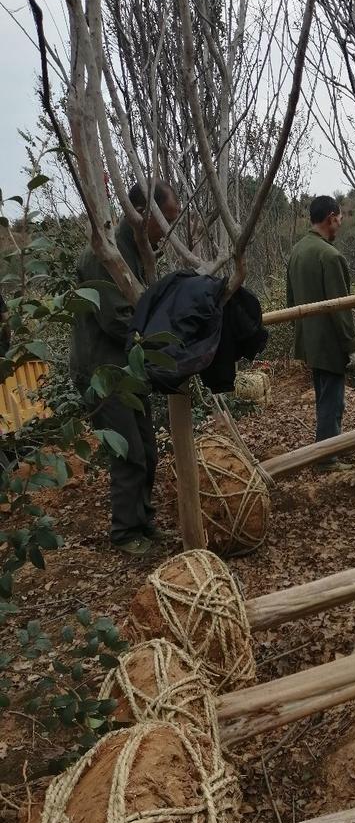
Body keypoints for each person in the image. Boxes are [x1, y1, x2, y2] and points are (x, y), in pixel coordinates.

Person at [70, 180, 180, 555]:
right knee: (128, 451)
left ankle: (143, 520)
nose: (168, 231)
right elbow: (118, 321)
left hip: (129, 368)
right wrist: (162, 339)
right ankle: (125, 532)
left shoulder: (139, 250)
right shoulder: (103, 255)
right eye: (165, 221)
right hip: (104, 372)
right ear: (141, 215)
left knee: (147, 448)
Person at [287, 195, 355, 472]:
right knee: (332, 400)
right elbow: (340, 309)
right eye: (340, 217)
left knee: (324, 397)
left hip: (308, 342)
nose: (341, 223)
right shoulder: (330, 256)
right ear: (331, 217)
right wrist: (351, 347)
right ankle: (327, 458)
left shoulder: (297, 250)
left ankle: (325, 449)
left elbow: (290, 302)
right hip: (329, 344)